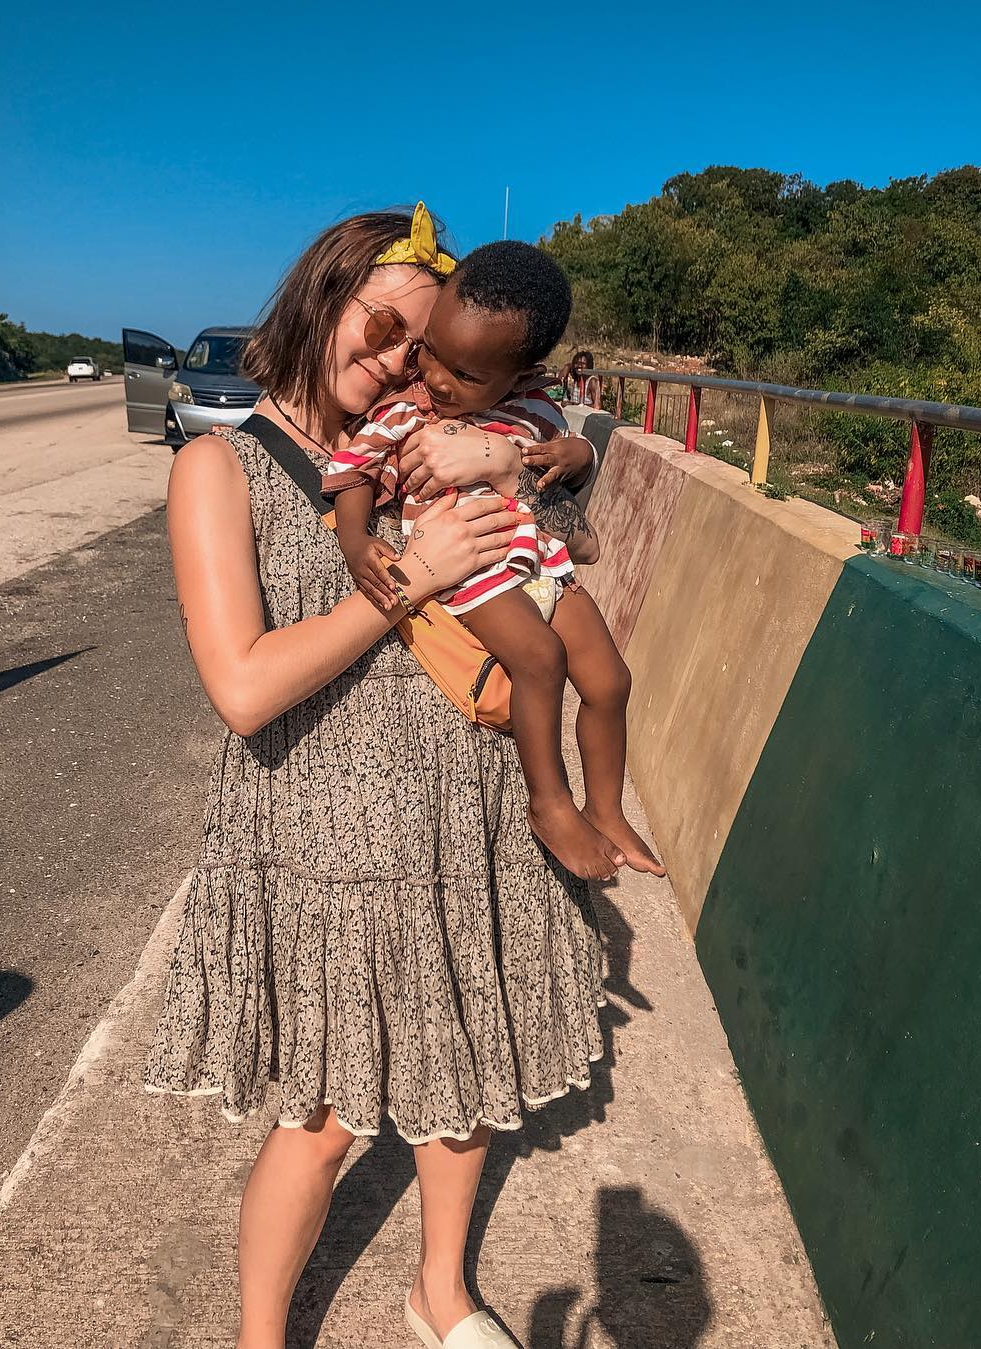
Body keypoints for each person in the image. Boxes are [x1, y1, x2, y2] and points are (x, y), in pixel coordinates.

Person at [143, 206, 612, 1349]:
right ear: (320, 299)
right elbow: (244, 688)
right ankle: (261, 1335)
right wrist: (409, 577)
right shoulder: (223, 465)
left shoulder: (436, 429)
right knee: (323, 1116)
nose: (401, 358)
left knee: (467, 1059)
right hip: (324, 839)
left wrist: (534, 452)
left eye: (422, 340)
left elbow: (572, 536)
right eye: (385, 325)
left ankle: (439, 1292)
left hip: (470, 810)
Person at [324, 241, 665, 882]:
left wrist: (571, 455)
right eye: (434, 355)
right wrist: (353, 539)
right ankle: (550, 802)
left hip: (543, 560)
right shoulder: (407, 410)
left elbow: (560, 455)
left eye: (469, 375)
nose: (440, 381)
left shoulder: (534, 403)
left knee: (611, 681)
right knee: (540, 657)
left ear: (523, 370)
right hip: (472, 566)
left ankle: (608, 809)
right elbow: (355, 470)